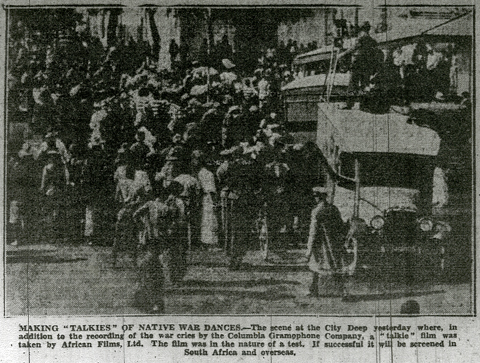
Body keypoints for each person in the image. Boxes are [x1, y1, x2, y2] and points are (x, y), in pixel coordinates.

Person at [305, 186, 347, 298]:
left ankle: (313, 290)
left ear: (319, 198)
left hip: (320, 245)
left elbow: (313, 232)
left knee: (315, 267)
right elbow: (341, 226)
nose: (315, 199)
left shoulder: (316, 211)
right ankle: (343, 292)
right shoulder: (334, 209)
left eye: (316, 197)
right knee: (336, 267)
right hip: (333, 244)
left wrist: (308, 250)